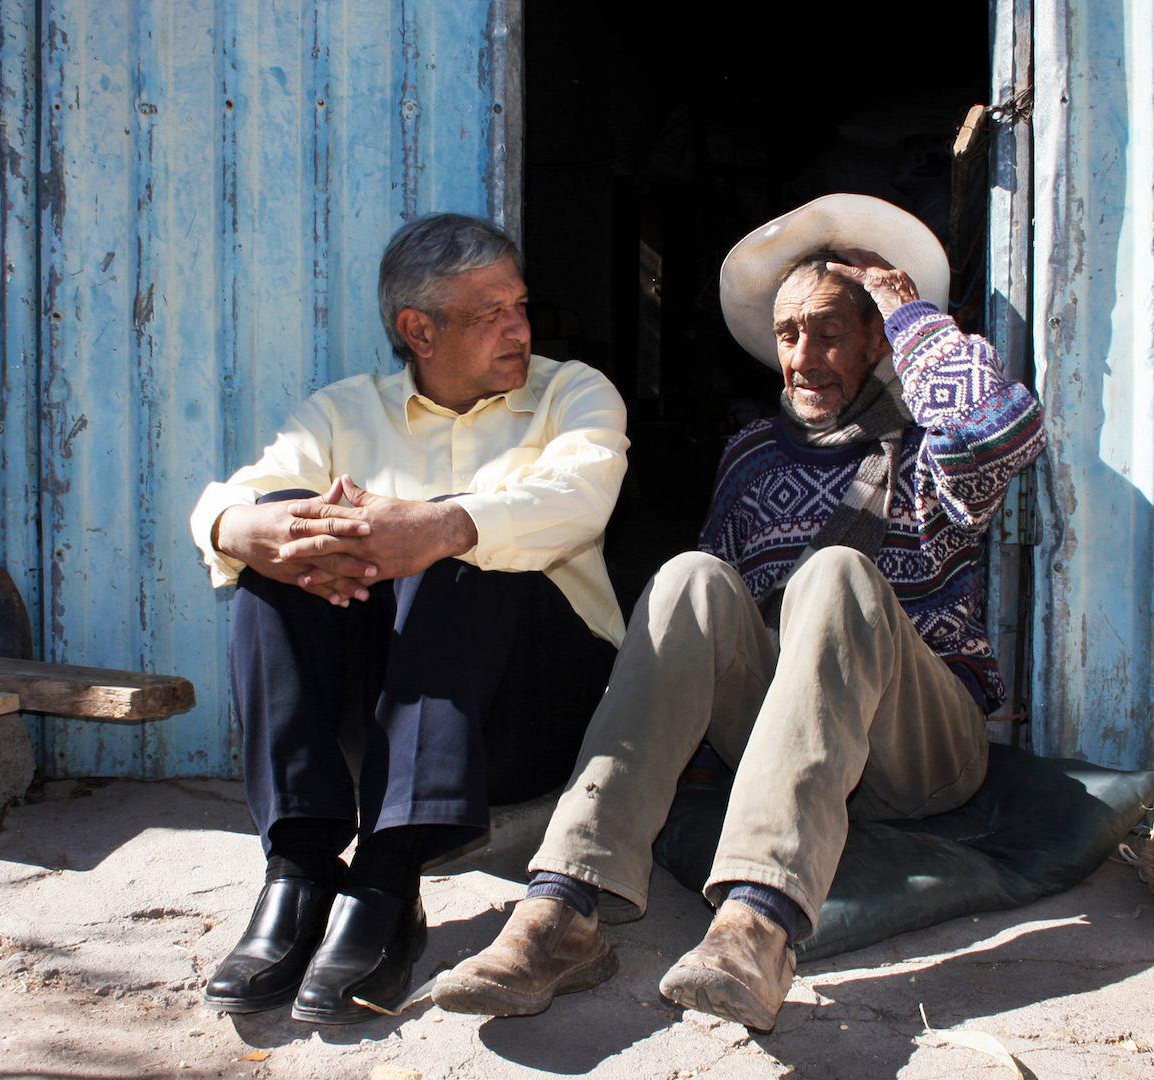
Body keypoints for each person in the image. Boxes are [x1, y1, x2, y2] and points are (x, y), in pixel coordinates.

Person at [433, 194, 1047, 1031]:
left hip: (918, 752)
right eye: (790, 334)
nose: (805, 356)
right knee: (689, 575)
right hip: (796, 738)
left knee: (835, 574)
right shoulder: (753, 453)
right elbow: (712, 629)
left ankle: (759, 922)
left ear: (877, 340)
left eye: (831, 331)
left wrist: (913, 315)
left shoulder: (929, 439)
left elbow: (1001, 435)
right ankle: (562, 908)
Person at [188, 213, 628, 1025]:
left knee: (462, 544)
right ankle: (301, 866)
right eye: (490, 314)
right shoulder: (340, 413)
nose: (519, 328)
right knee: (281, 531)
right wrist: (240, 531)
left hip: (536, 709)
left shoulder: (572, 393)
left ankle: (388, 880)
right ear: (417, 330)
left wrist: (432, 529)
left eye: (521, 305)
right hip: (388, 720)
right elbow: (236, 497)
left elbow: (577, 501)